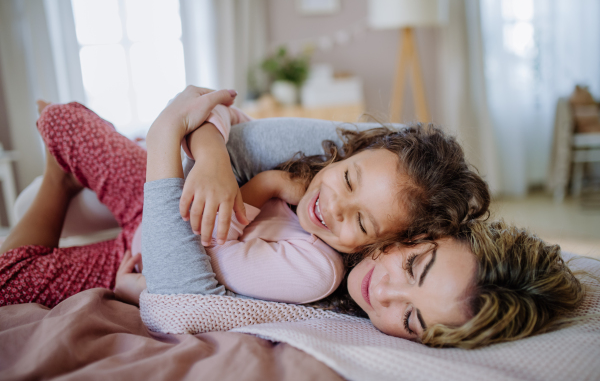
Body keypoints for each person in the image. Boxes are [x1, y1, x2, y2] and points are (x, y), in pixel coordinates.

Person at [0, 86, 490, 307]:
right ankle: (73, 182)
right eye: (348, 179)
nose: (336, 205)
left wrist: (268, 184)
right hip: (154, 206)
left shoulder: (317, 268)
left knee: (8, 283)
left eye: (360, 223)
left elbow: (207, 240)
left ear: (376, 245)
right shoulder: (322, 171)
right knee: (60, 118)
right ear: (347, 155)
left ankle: (61, 183)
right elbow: (228, 116)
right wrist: (212, 157)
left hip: (153, 247)